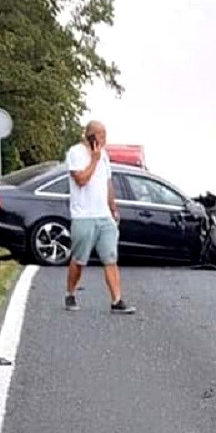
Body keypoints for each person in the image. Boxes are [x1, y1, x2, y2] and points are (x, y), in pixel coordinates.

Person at [63, 120, 136, 314]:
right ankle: (70, 293)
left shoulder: (104, 155)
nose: (104, 139)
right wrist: (93, 159)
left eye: (105, 135)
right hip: (83, 216)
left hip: (103, 215)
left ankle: (116, 300)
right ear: (91, 136)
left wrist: (113, 208)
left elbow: (107, 183)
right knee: (79, 260)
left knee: (110, 258)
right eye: (101, 135)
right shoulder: (76, 153)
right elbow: (80, 180)